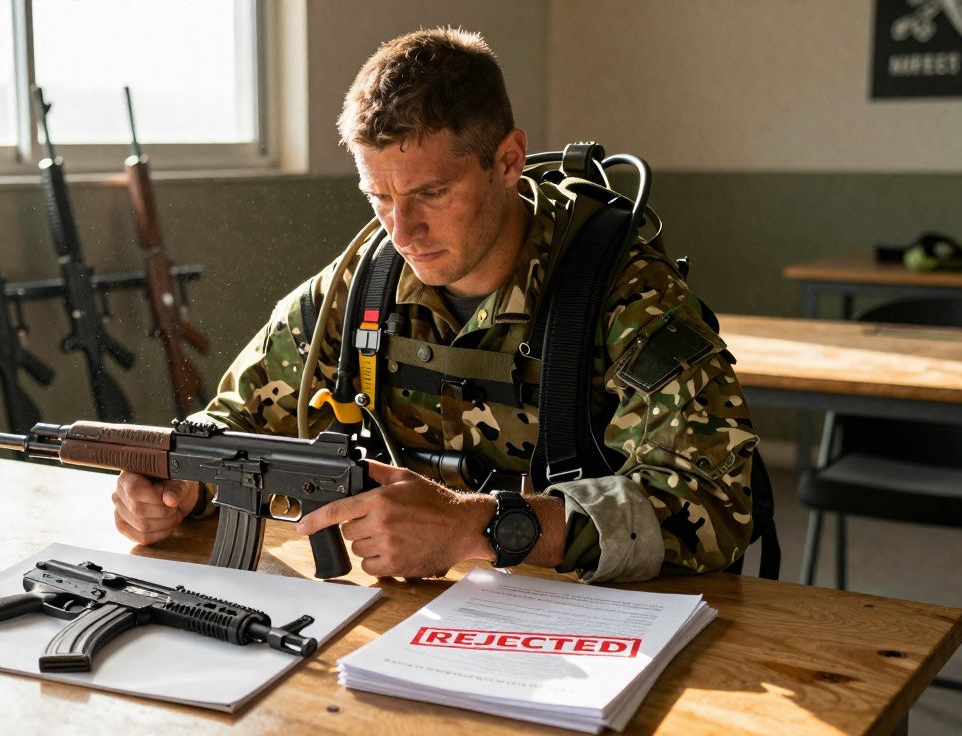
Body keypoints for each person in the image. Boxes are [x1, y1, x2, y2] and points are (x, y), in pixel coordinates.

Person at [112, 27, 758, 583]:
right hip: (413, 627)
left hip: (600, 636)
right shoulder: (363, 284)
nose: (402, 228)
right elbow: (237, 419)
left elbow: (713, 504)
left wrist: (472, 526)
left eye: (433, 192)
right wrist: (182, 487)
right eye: (378, 198)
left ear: (507, 162)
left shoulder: (621, 294)